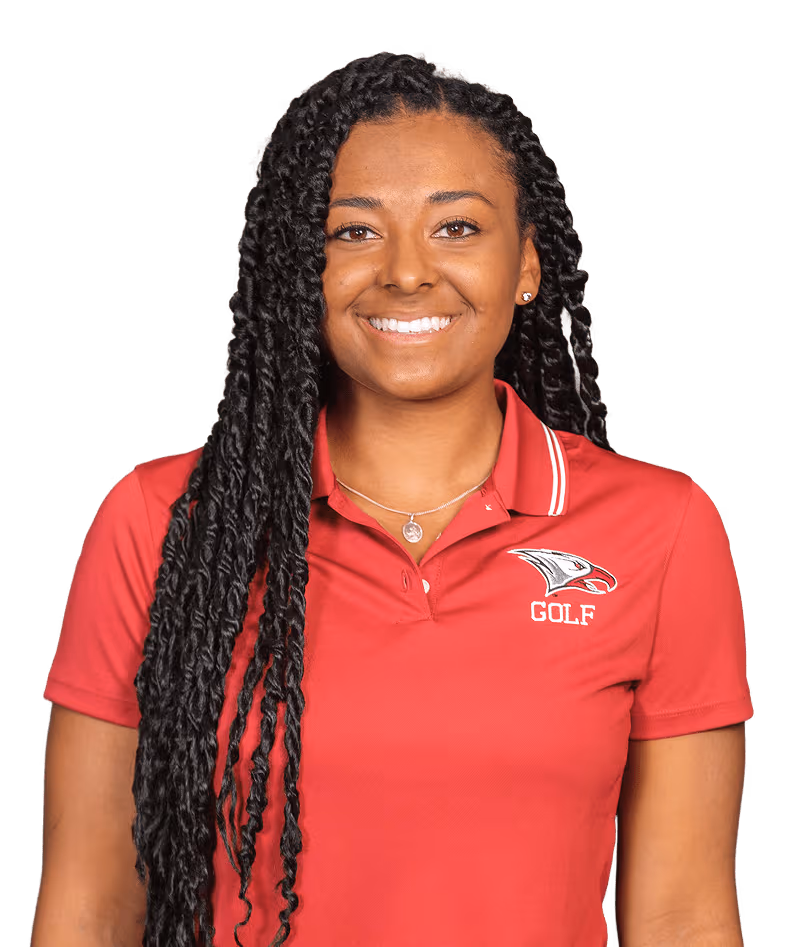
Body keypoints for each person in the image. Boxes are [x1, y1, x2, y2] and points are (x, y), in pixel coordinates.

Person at [34, 51, 751, 946]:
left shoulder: (661, 527)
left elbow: (682, 917)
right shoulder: (163, 521)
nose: (407, 272)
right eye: (352, 231)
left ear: (526, 267)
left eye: (457, 228)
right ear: (301, 271)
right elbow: (91, 908)